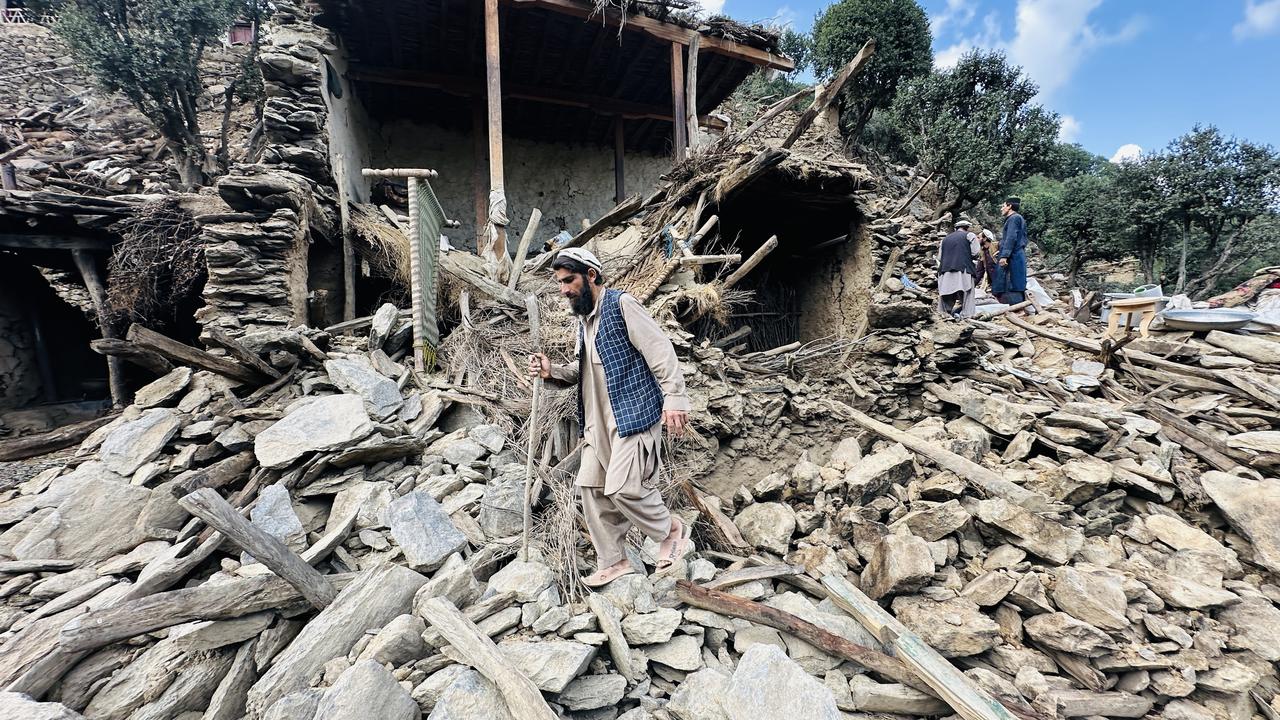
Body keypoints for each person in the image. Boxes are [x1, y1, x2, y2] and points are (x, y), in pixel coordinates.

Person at [528, 247, 691, 587]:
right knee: (593, 489)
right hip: (596, 424)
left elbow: (661, 351)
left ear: (591, 275)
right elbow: (583, 370)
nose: (564, 290)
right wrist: (551, 371)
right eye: (560, 283)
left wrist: (675, 398)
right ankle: (614, 561)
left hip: (632, 416)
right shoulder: (584, 321)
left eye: (569, 281)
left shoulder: (621, 305)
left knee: (624, 488)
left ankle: (671, 530)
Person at [937, 219, 980, 318]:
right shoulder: (970, 235)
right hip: (964, 269)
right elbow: (975, 252)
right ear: (967, 228)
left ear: (956, 228)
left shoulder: (945, 239)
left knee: (946, 294)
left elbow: (939, 257)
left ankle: (942, 315)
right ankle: (967, 316)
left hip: (945, 270)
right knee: (967, 294)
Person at [998, 197, 1029, 304]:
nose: (1001, 209)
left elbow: (1011, 237)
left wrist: (1004, 255)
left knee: (1013, 280)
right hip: (1016, 253)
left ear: (1009, 206)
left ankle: (1016, 306)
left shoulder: (1014, 218)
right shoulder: (1017, 218)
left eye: (1003, 206)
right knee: (1015, 279)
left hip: (1014, 255)